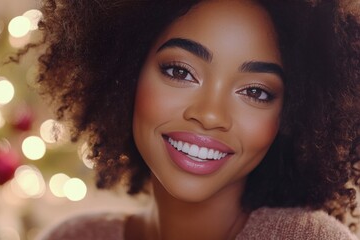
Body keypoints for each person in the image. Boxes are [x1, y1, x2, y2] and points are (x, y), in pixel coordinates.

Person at [29, 0, 360, 239]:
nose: (210, 114)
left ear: (290, 116)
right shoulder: (75, 236)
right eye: (180, 72)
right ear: (127, 72)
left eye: (256, 93)